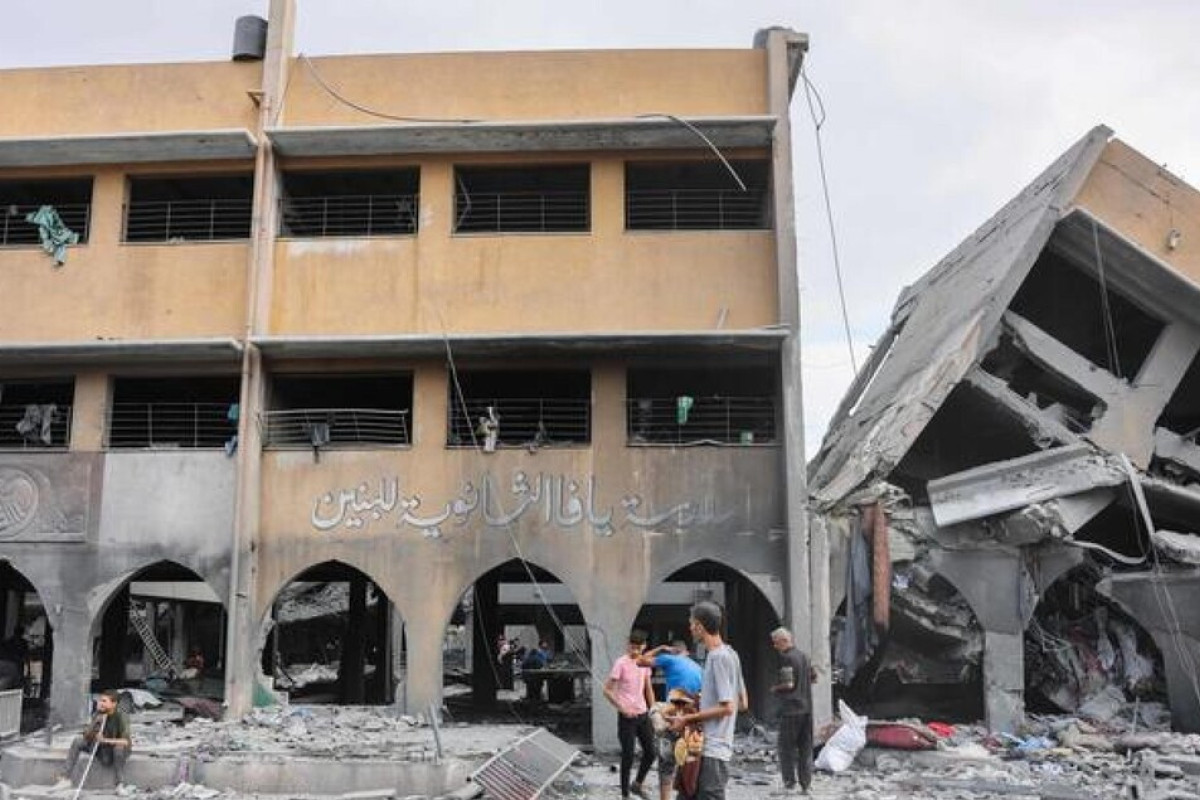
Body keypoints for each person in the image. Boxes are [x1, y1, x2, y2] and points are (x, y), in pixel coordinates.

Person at [671, 602, 744, 800]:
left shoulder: (718, 657)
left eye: (691, 623)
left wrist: (687, 719)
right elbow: (742, 702)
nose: (690, 628)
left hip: (712, 750)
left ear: (700, 627)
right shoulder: (731, 654)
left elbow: (727, 707)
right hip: (702, 747)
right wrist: (699, 701)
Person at [637, 640, 703, 800]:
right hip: (692, 722)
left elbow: (640, 660)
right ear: (687, 652)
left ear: (674, 651)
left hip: (674, 719)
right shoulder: (700, 669)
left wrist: (661, 648)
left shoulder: (670, 658)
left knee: (666, 766)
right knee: (689, 767)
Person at [604, 629, 656, 800]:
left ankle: (637, 784)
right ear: (628, 645)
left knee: (651, 752)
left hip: (643, 714)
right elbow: (607, 690)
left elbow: (648, 688)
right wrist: (622, 708)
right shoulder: (621, 663)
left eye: (637, 648)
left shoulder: (645, 663)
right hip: (627, 717)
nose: (634, 651)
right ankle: (625, 795)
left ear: (644, 646)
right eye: (631, 647)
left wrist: (654, 709)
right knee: (628, 755)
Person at [54, 689, 132, 792]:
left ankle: (119, 784)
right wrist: (95, 724)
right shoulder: (99, 713)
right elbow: (86, 735)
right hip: (101, 749)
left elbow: (125, 741)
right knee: (77, 741)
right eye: (100, 700)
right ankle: (65, 778)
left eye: (104, 701)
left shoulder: (122, 716)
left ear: (114, 704)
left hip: (113, 751)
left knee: (119, 748)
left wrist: (105, 740)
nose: (101, 703)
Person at [770, 627, 814, 795]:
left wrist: (775, 688)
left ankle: (789, 783)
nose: (775, 647)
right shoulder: (804, 657)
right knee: (805, 748)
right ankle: (806, 785)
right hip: (807, 709)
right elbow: (814, 677)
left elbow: (788, 684)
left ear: (784, 641)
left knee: (786, 748)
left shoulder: (787, 658)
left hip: (791, 710)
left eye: (776, 643)